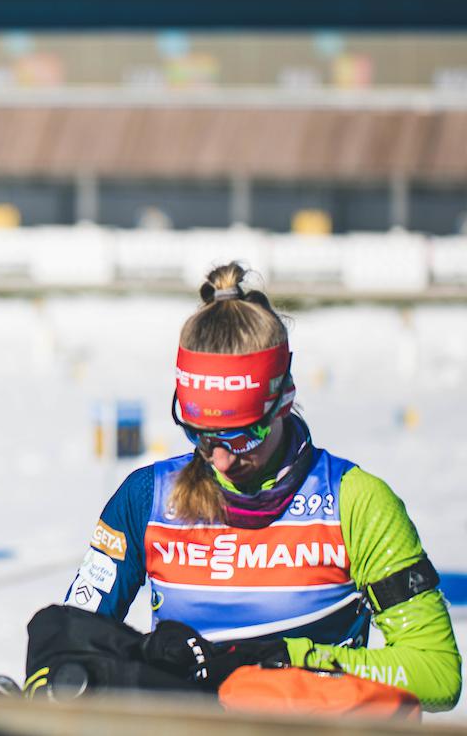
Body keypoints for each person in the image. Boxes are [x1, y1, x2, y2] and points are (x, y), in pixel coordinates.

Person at [52, 262, 460, 711]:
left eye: (243, 436)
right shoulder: (148, 498)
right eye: (199, 435)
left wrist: (293, 661)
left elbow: (437, 673)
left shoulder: (355, 501)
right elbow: (72, 646)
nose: (221, 458)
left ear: (284, 400)